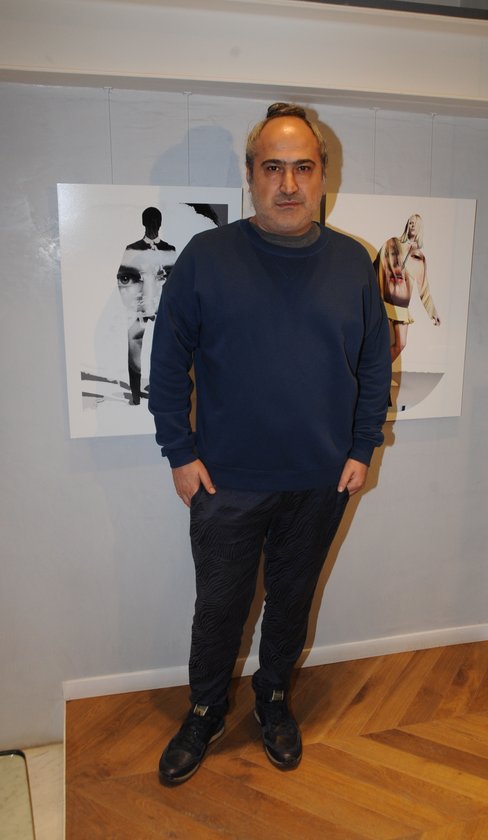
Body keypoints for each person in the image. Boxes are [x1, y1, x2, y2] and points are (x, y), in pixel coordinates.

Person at [148, 103, 391, 785]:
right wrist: (180, 452)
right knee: (219, 607)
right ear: (251, 175)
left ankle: (274, 698)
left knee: (291, 600)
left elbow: (375, 363)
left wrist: (362, 447)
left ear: (322, 176)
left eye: (303, 168)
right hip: (226, 480)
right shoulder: (207, 258)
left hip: (321, 479)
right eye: (273, 168)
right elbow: (167, 362)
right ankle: (205, 710)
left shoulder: (352, 262)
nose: (288, 183)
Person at [117, 207, 177, 404]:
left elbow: (177, 281)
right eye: (150, 221)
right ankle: (136, 397)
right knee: (134, 347)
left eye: (156, 221)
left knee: (166, 351)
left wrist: (165, 299)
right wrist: (135, 302)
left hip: (163, 308)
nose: (153, 226)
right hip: (138, 308)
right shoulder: (132, 249)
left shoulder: (169, 250)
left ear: (160, 223)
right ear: (143, 223)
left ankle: (162, 393)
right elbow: (122, 277)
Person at [377, 213, 440, 363]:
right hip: (384, 302)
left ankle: (381, 370)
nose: (412, 225)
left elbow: (424, 288)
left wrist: (432, 312)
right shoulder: (392, 243)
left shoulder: (419, 256)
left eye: (416, 223)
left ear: (420, 228)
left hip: (401, 306)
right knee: (378, 343)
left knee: (401, 344)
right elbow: (378, 266)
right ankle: (375, 371)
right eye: (410, 222)